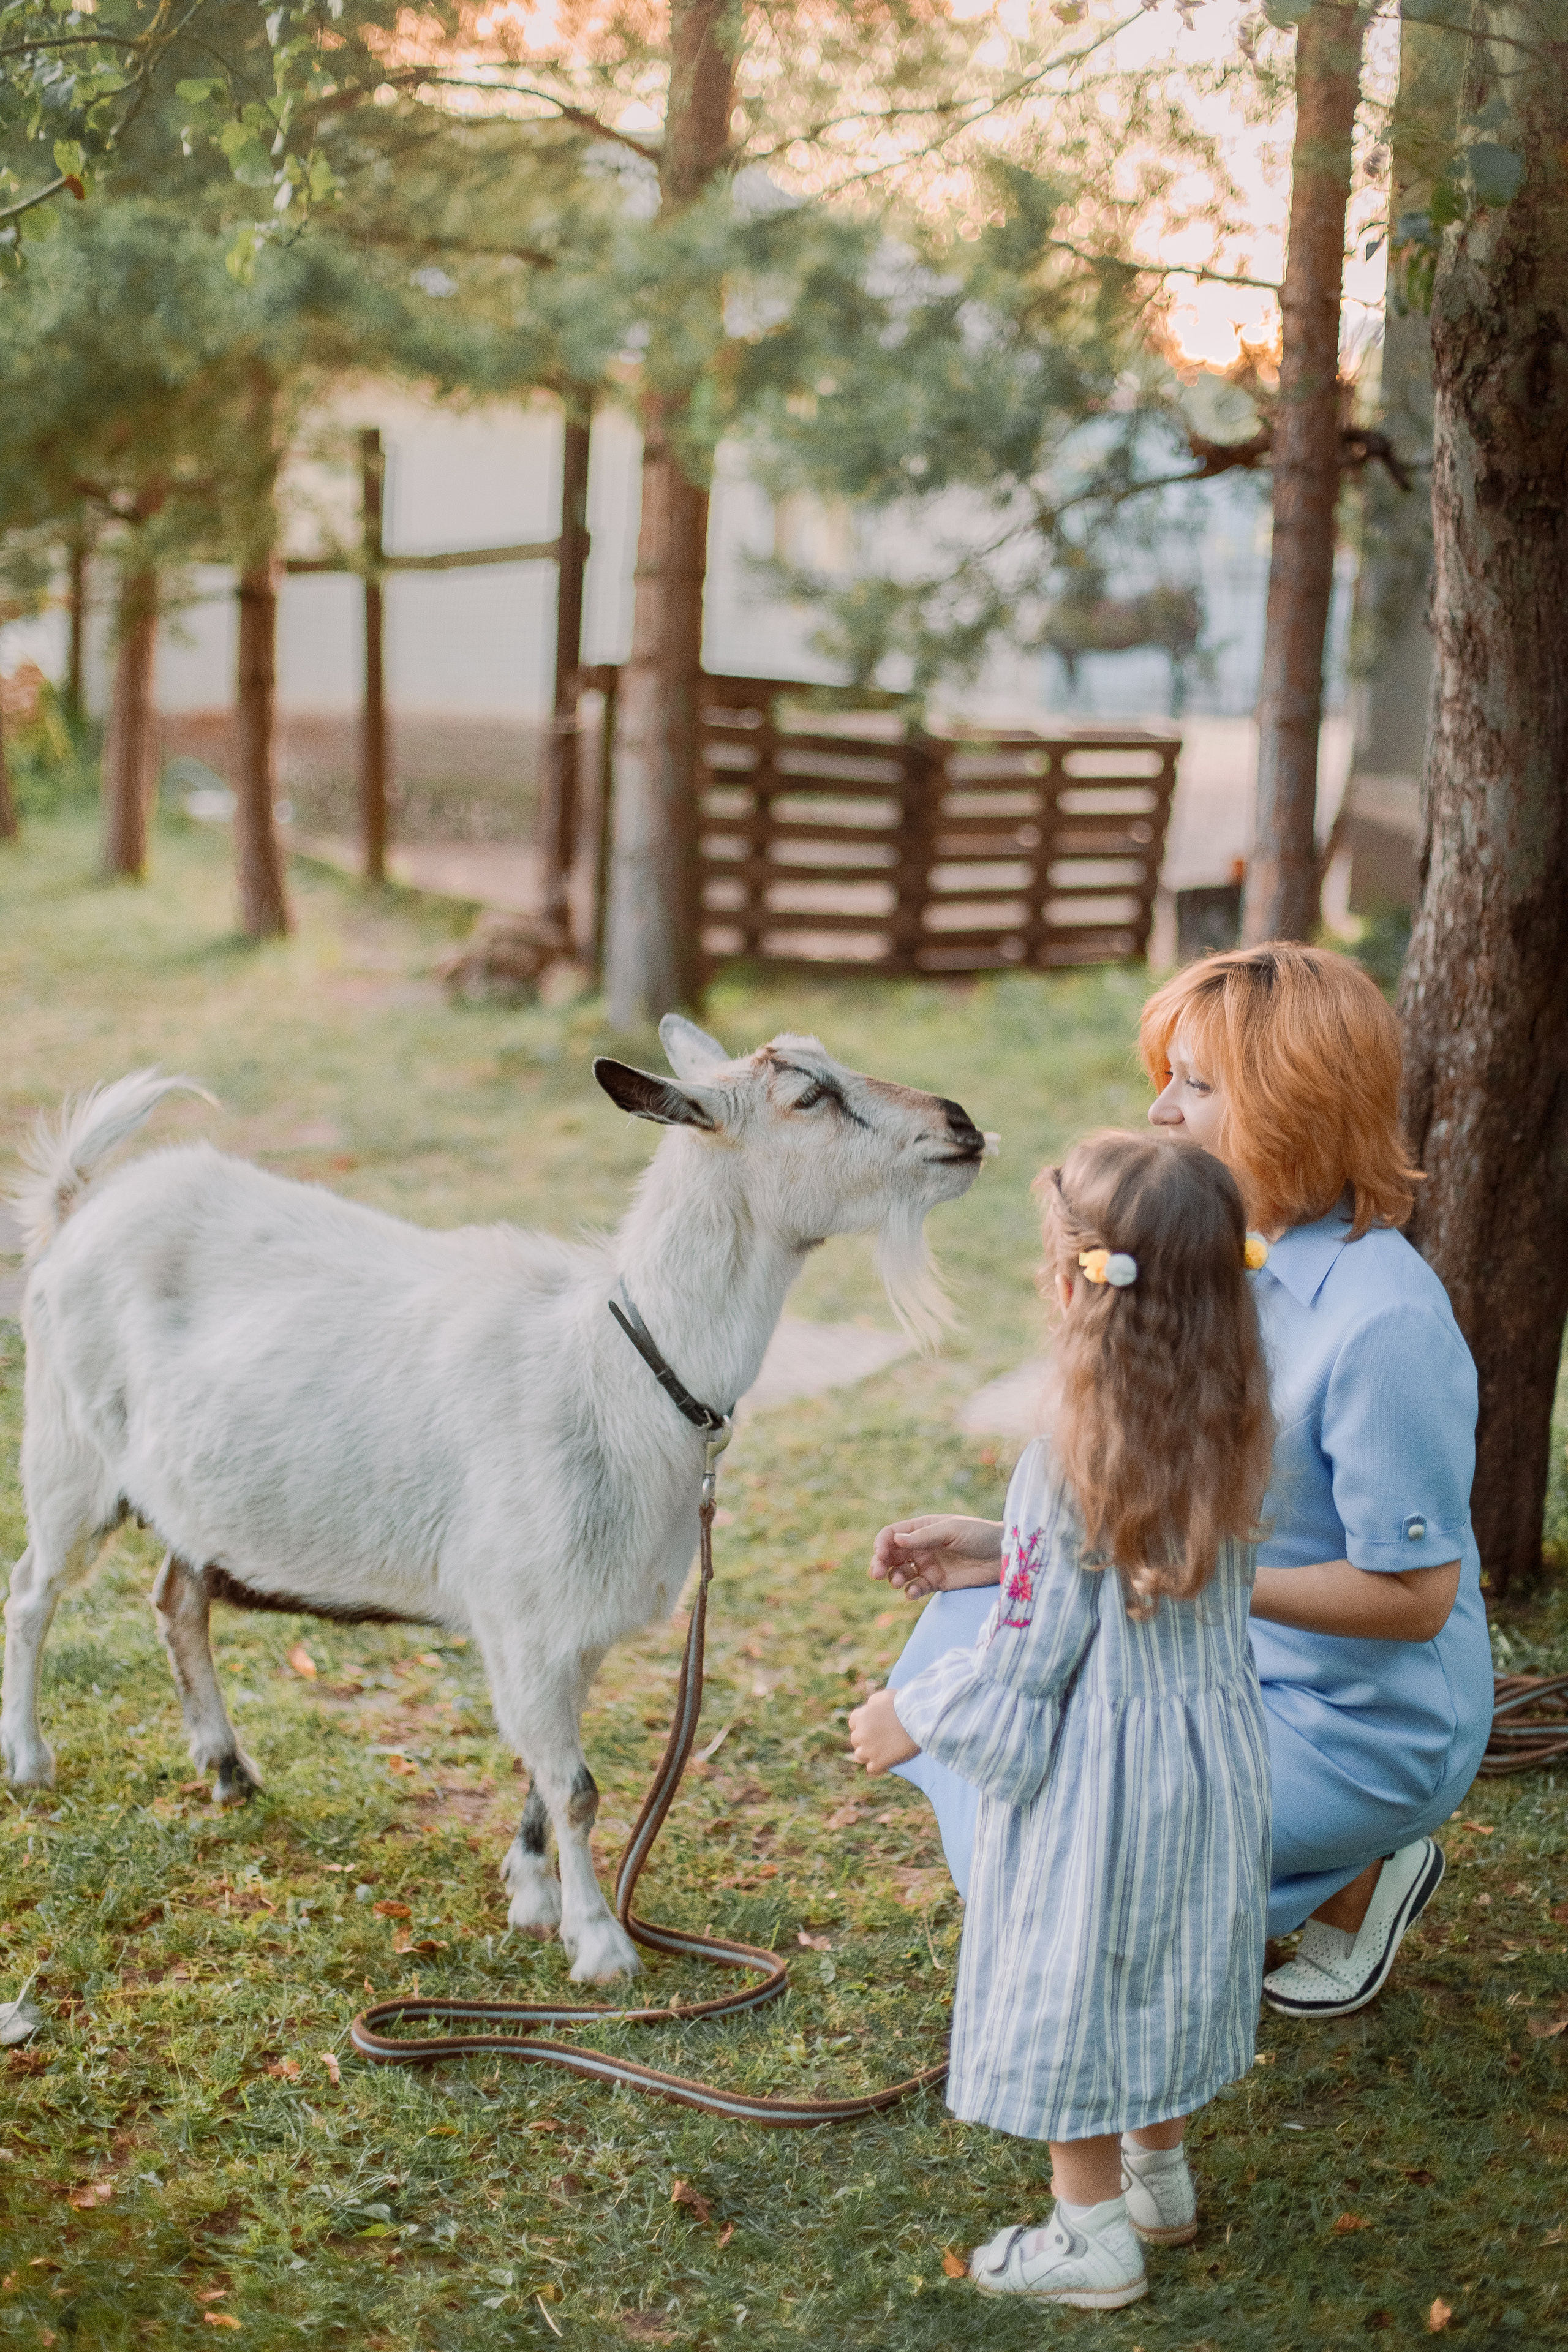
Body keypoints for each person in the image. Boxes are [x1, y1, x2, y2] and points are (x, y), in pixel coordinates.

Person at [880, 943, 1493, 2021]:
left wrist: (1195, 1575)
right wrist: (1012, 1542)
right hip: (1214, 1654)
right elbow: (1161, 1505)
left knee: (1071, 1803)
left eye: (1197, 1085)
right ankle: (1234, 1897)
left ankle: (1358, 1855)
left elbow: (1417, 1599)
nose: (1161, 1112)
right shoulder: (1212, 1253)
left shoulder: (1384, 1323)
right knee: (958, 1643)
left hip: (1354, 1722)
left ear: (1294, 1104)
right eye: (1166, 1075)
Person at [850, 1131, 1274, 2309]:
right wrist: (1004, 1550)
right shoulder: (1233, 1423)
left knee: (1077, 1979)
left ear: (1079, 1284)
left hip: (1103, 1785)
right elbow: (1108, 1572)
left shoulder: (1069, 1458)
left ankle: (1088, 2233)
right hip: (1209, 1760)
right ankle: (1160, 2175)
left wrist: (909, 1716)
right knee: (1168, 1956)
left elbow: (1028, 1668)